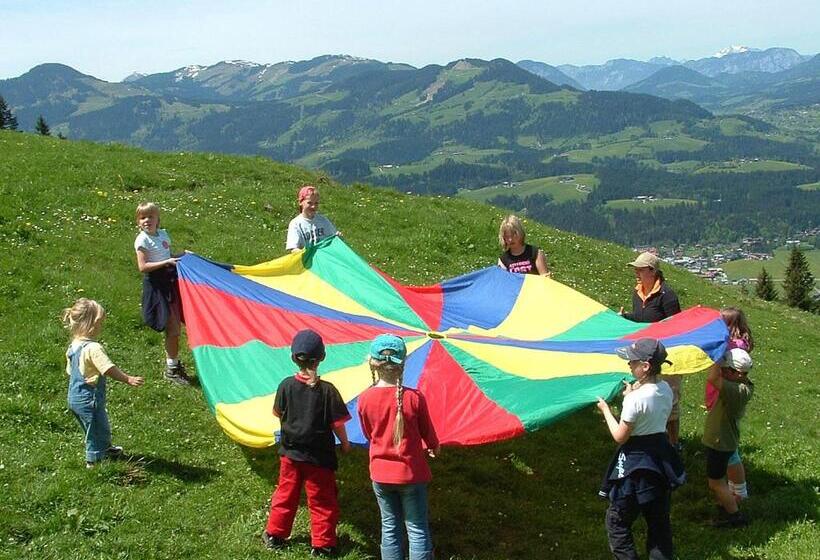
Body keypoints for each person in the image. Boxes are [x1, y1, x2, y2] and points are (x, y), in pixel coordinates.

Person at [262, 329, 351, 557]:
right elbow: (337, 423)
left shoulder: (285, 386)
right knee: (322, 500)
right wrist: (345, 443)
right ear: (322, 357)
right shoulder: (327, 391)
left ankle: (275, 534)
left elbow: (277, 412)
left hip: (290, 455)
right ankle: (322, 544)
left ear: (293, 357)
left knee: (285, 494)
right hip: (319, 459)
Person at [596, 338, 685, 560]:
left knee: (617, 521)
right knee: (658, 523)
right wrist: (633, 392)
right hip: (660, 459)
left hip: (636, 464)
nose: (629, 365)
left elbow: (620, 436)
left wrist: (606, 410)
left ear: (645, 366)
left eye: (632, 362)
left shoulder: (635, 400)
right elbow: (651, 408)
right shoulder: (665, 389)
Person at [357, 334, 440, 560]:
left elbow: (368, 433)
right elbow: (427, 432)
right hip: (412, 475)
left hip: (381, 475)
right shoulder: (414, 398)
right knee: (417, 527)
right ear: (403, 363)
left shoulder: (365, 399)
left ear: (373, 363)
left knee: (389, 526)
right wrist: (433, 446)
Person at [62, 298, 144, 468]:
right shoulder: (93, 348)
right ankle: (93, 460)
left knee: (96, 426)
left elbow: (70, 371)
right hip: (88, 398)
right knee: (95, 429)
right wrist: (127, 378)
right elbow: (107, 368)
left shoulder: (74, 345)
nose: (101, 327)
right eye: (100, 323)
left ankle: (105, 448)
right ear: (94, 324)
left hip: (74, 396)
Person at [620, 252, 682, 448]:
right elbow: (641, 318)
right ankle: (649, 436)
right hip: (645, 353)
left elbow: (677, 326)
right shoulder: (637, 293)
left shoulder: (667, 296)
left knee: (670, 403)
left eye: (640, 269)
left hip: (665, 353)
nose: (636, 273)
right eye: (635, 269)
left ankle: (673, 444)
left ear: (653, 271)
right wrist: (626, 317)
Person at [134, 201, 191, 385]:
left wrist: (182, 255)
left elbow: (168, 255)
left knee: (176, 329)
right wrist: (166, 263)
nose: (146, 221)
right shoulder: (142, 240)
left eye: (150, 216)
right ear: (138, 222)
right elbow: (143, 267)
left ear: (158, 219)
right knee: (172, 328)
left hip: (169, 282)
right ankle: (171, 369)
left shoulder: (163, 234)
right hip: (156, 286)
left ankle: (173, 365)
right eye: (142, 217)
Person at [705, 307, 754, 501]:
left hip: (724, 394)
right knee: (730, 449)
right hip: (721, 393)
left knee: (730, 451)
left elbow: (716, 375)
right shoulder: (738, 379)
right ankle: (736, 489)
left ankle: (738, 492)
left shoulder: (736, 347)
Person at [702, 348, 754, 528]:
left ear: (737, 373)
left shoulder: (735, 390)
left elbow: (712, 378)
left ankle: (734, 515)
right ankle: (726, 505)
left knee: (715, 482)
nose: (722, 372)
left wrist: (717, 354)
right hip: (725, 440)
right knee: (719, 479)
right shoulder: (744, 385)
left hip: (720, 442)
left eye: (725, 370)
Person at [286, 185, 339, 252]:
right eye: (309, 203)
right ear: (300, 202)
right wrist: (302, 252)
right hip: (306, 260)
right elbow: (293, 248)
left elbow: (333, 238)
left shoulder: (323, 220)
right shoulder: (295, 224)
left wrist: (338, 237)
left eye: (316, 203)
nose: (313, 207)